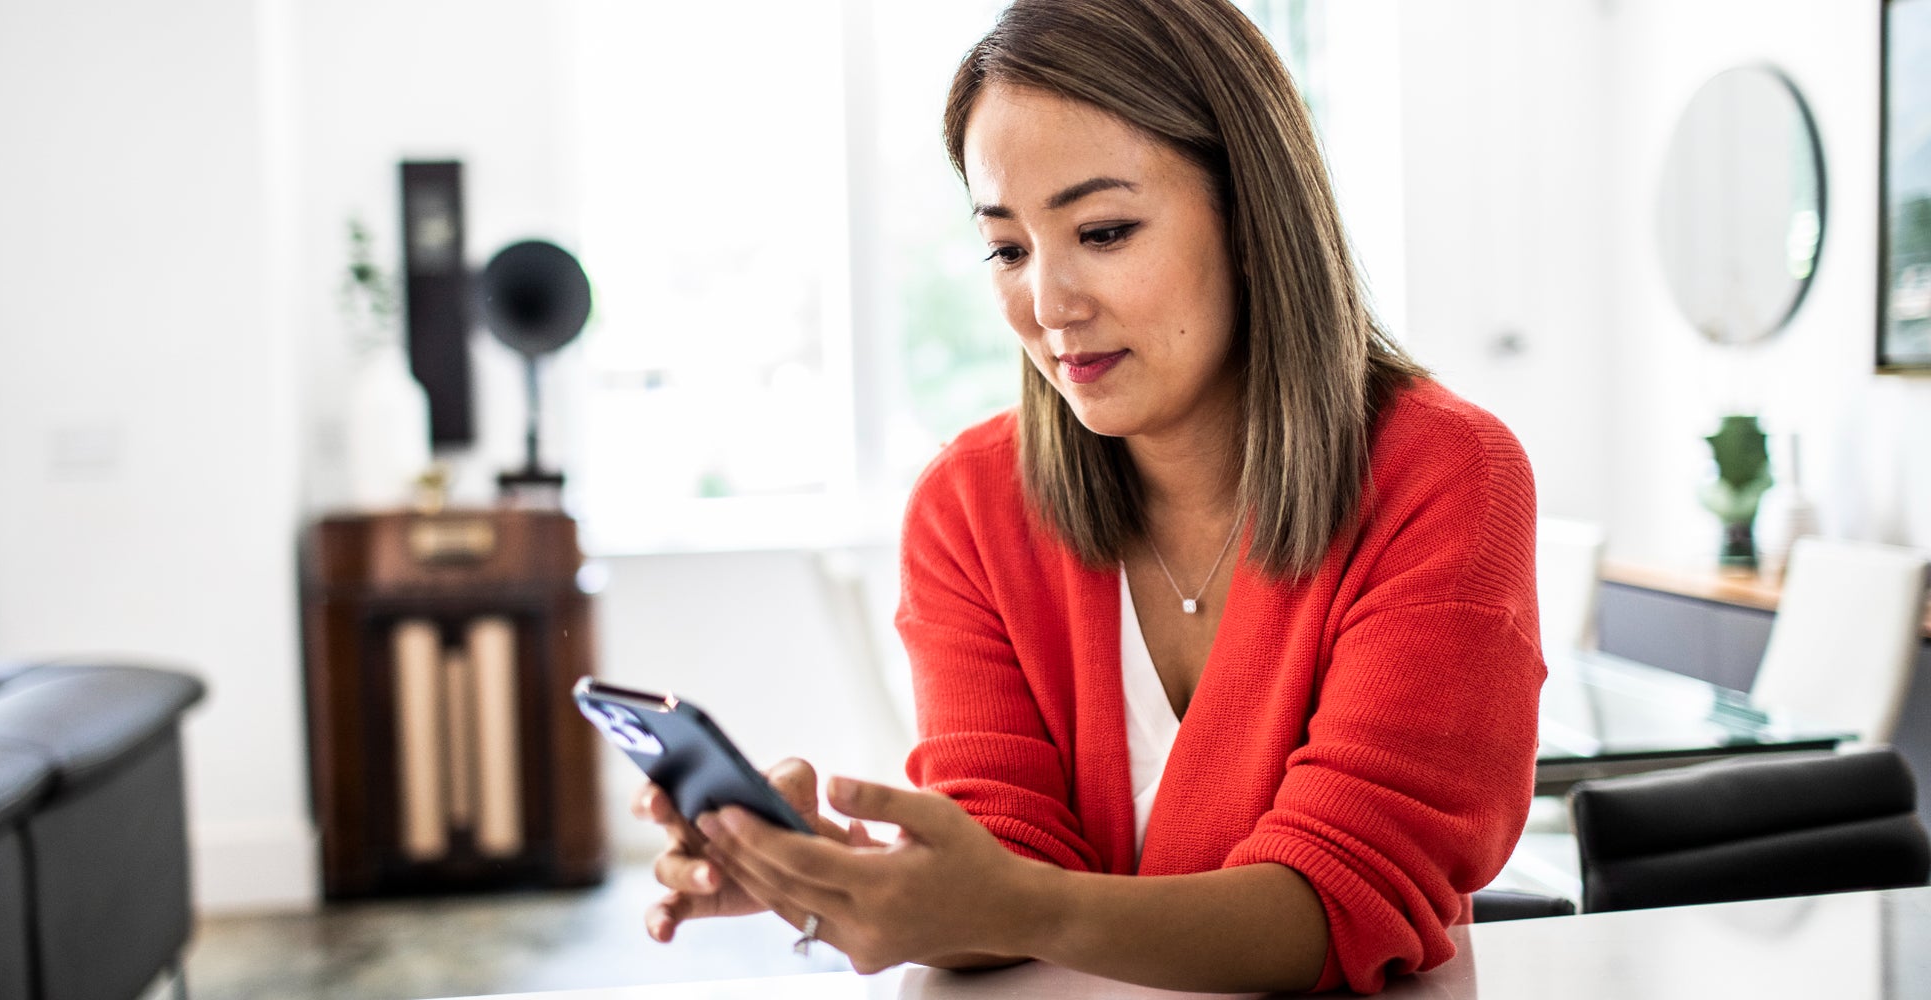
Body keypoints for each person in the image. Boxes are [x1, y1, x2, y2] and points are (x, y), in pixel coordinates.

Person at [631, 0, 1544, 993]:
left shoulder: (1442, 474)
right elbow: (1003, 856)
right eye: (1007, 248)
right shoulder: (968, 506)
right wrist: (839, 875)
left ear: (1250, 219)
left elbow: (1341, 901)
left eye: (1102, 231)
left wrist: (1010, 903)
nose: (1048, 304)